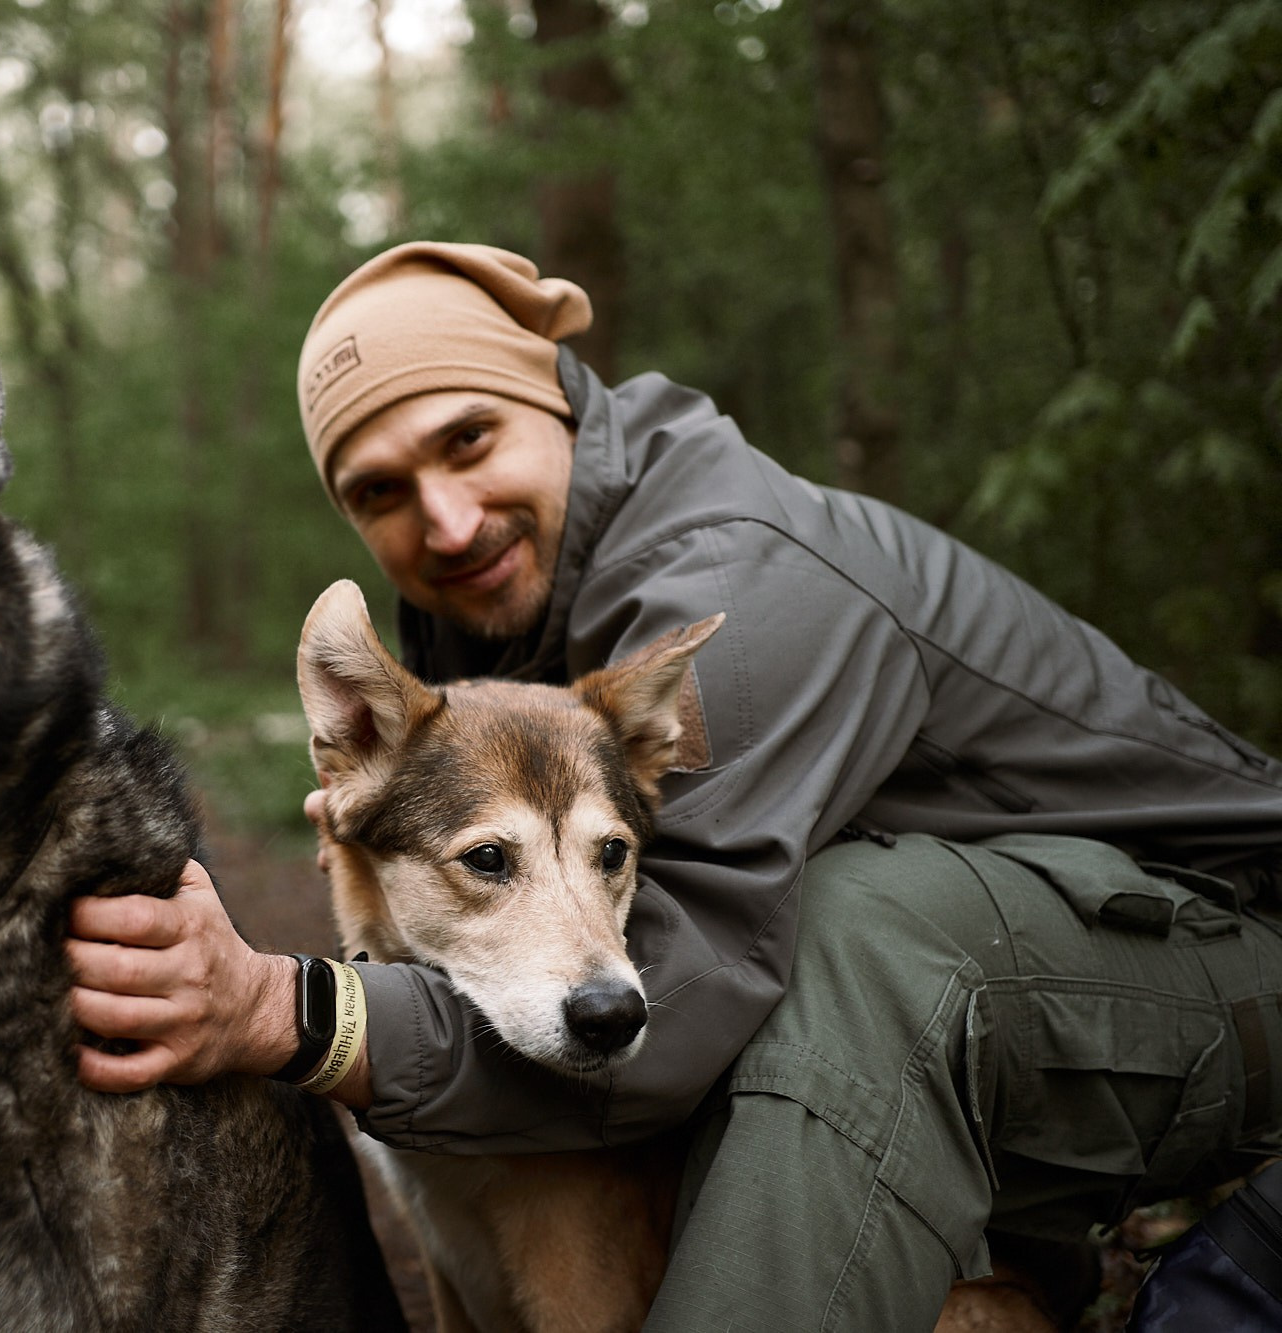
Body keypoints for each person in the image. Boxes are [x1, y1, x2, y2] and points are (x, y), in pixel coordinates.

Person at [65, 241, 1282, 1330]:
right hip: (1054, 973)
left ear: (552, 393)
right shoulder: (488, 634)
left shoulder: (734, 590)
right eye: (377, 492)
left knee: (857, 928)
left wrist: (296, 1013)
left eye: (467, 440)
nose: (441, 518)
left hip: (1235, 952)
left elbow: (682, 1000)